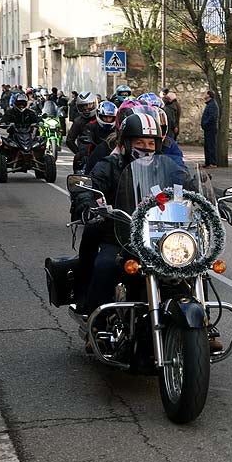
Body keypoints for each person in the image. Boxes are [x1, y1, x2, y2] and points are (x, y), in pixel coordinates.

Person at [75, 112, 187, 314]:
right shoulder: (110, 165)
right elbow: (89, 186)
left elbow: (188, 184)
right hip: (119, 237)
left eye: (151, 143)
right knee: (105, 266)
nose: (146, 148)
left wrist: (213, 204)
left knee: (194, 267)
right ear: (126, 143)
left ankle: (204, 325)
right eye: (139, 142)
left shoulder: (168, 167)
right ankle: (97, 322)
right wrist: (87, 202)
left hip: (160, 238)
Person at [77, 101, 117, 174]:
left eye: (110, 117)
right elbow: (85, 141)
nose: (108, 120)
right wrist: (85, 154)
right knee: (80, 161)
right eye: (105, 117)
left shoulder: (118, 128)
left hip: (114, 157)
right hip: (95, 157)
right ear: (99, 116)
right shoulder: (91, 126)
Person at [66, 91, 97, 172]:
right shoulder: (78, 121)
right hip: (85, 154)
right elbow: (69, 140)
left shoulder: (101, 117)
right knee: (78, 164)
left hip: (102, 151)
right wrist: (79, 153)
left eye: (89, 105)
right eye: (83, 107)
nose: (86, 109)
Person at [201, 89, 219, 168]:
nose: (204, 95)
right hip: (208, 128)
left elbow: (212, 117)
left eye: (205, 93)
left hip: (210, 129)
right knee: (207, 146)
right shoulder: (209, 104)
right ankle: (208, 162)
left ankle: (212, 163)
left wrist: (205, 123)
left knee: (211, 145)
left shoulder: (212, 105)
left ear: (209, 95)